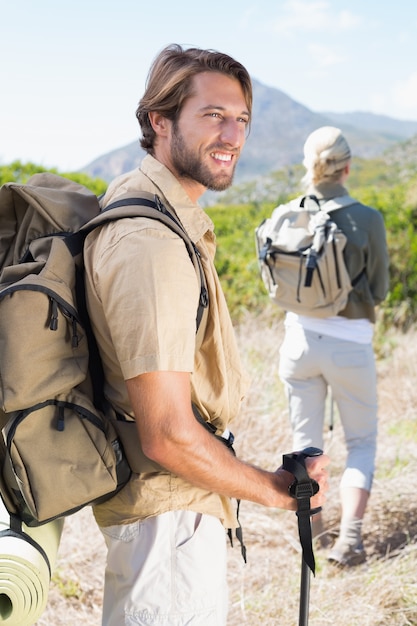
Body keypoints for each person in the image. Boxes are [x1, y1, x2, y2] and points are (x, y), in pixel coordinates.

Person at [83, 44, 329, 626]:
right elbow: (167, 434)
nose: (232, 134)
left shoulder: (152, 217)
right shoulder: (151, 243)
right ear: (158, 121)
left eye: (241, 117)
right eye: (212, 115)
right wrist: (274, 491)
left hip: (171, 518)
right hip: (168, 527)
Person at [278, 126, 389, 567]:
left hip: (299, 343)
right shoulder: (367, 218)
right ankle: (351, 542)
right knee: (360, 441)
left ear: (310, 164)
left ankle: (314, 533)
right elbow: (378, 290)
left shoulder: (286, 213)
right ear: (347, 166)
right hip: (350, 345)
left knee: (307, 445)